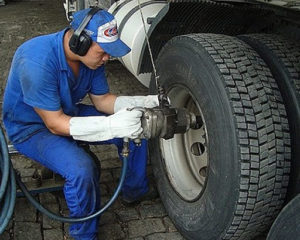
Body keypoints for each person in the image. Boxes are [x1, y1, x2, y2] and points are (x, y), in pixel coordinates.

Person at [2, 7, 159, 240]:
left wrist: (146, 102)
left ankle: (134, 191)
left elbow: (103, 101)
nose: (108, 58)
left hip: (67, 113)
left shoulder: (92, 60)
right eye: (104, 51)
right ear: (80, 42)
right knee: (81, 169)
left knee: (137, 127)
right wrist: (112, 126)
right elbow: (55, 125)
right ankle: (84, 234)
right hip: (32, 128)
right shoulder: (35, 60)